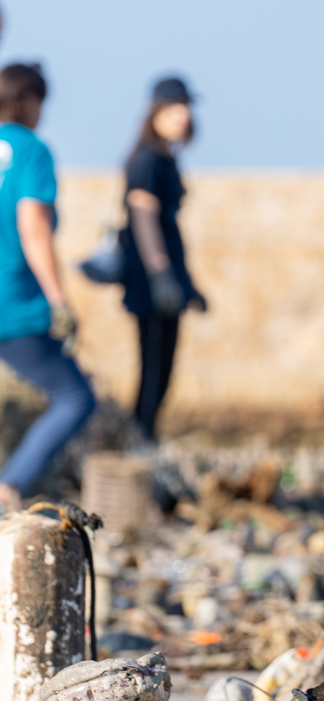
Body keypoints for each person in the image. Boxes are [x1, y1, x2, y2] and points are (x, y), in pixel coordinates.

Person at [0, 62, 95, 504]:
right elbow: (32, 225)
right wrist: (59, 301)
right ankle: (10, 485)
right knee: (74, 397)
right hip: (14, 301)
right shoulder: (31, 150)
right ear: (31, 101)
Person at [121, 75, 207, 440]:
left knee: (163, 371)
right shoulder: (147, 161)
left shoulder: (164, 159)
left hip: (168, 283)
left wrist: (189, 285)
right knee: (154, 372)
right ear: (155, 112)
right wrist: (161, 276)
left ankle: (145, 439)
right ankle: (138, 443)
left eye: (185, 107)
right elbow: (143, 218)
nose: (182, 115)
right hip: (151, 286)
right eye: (173, 108)